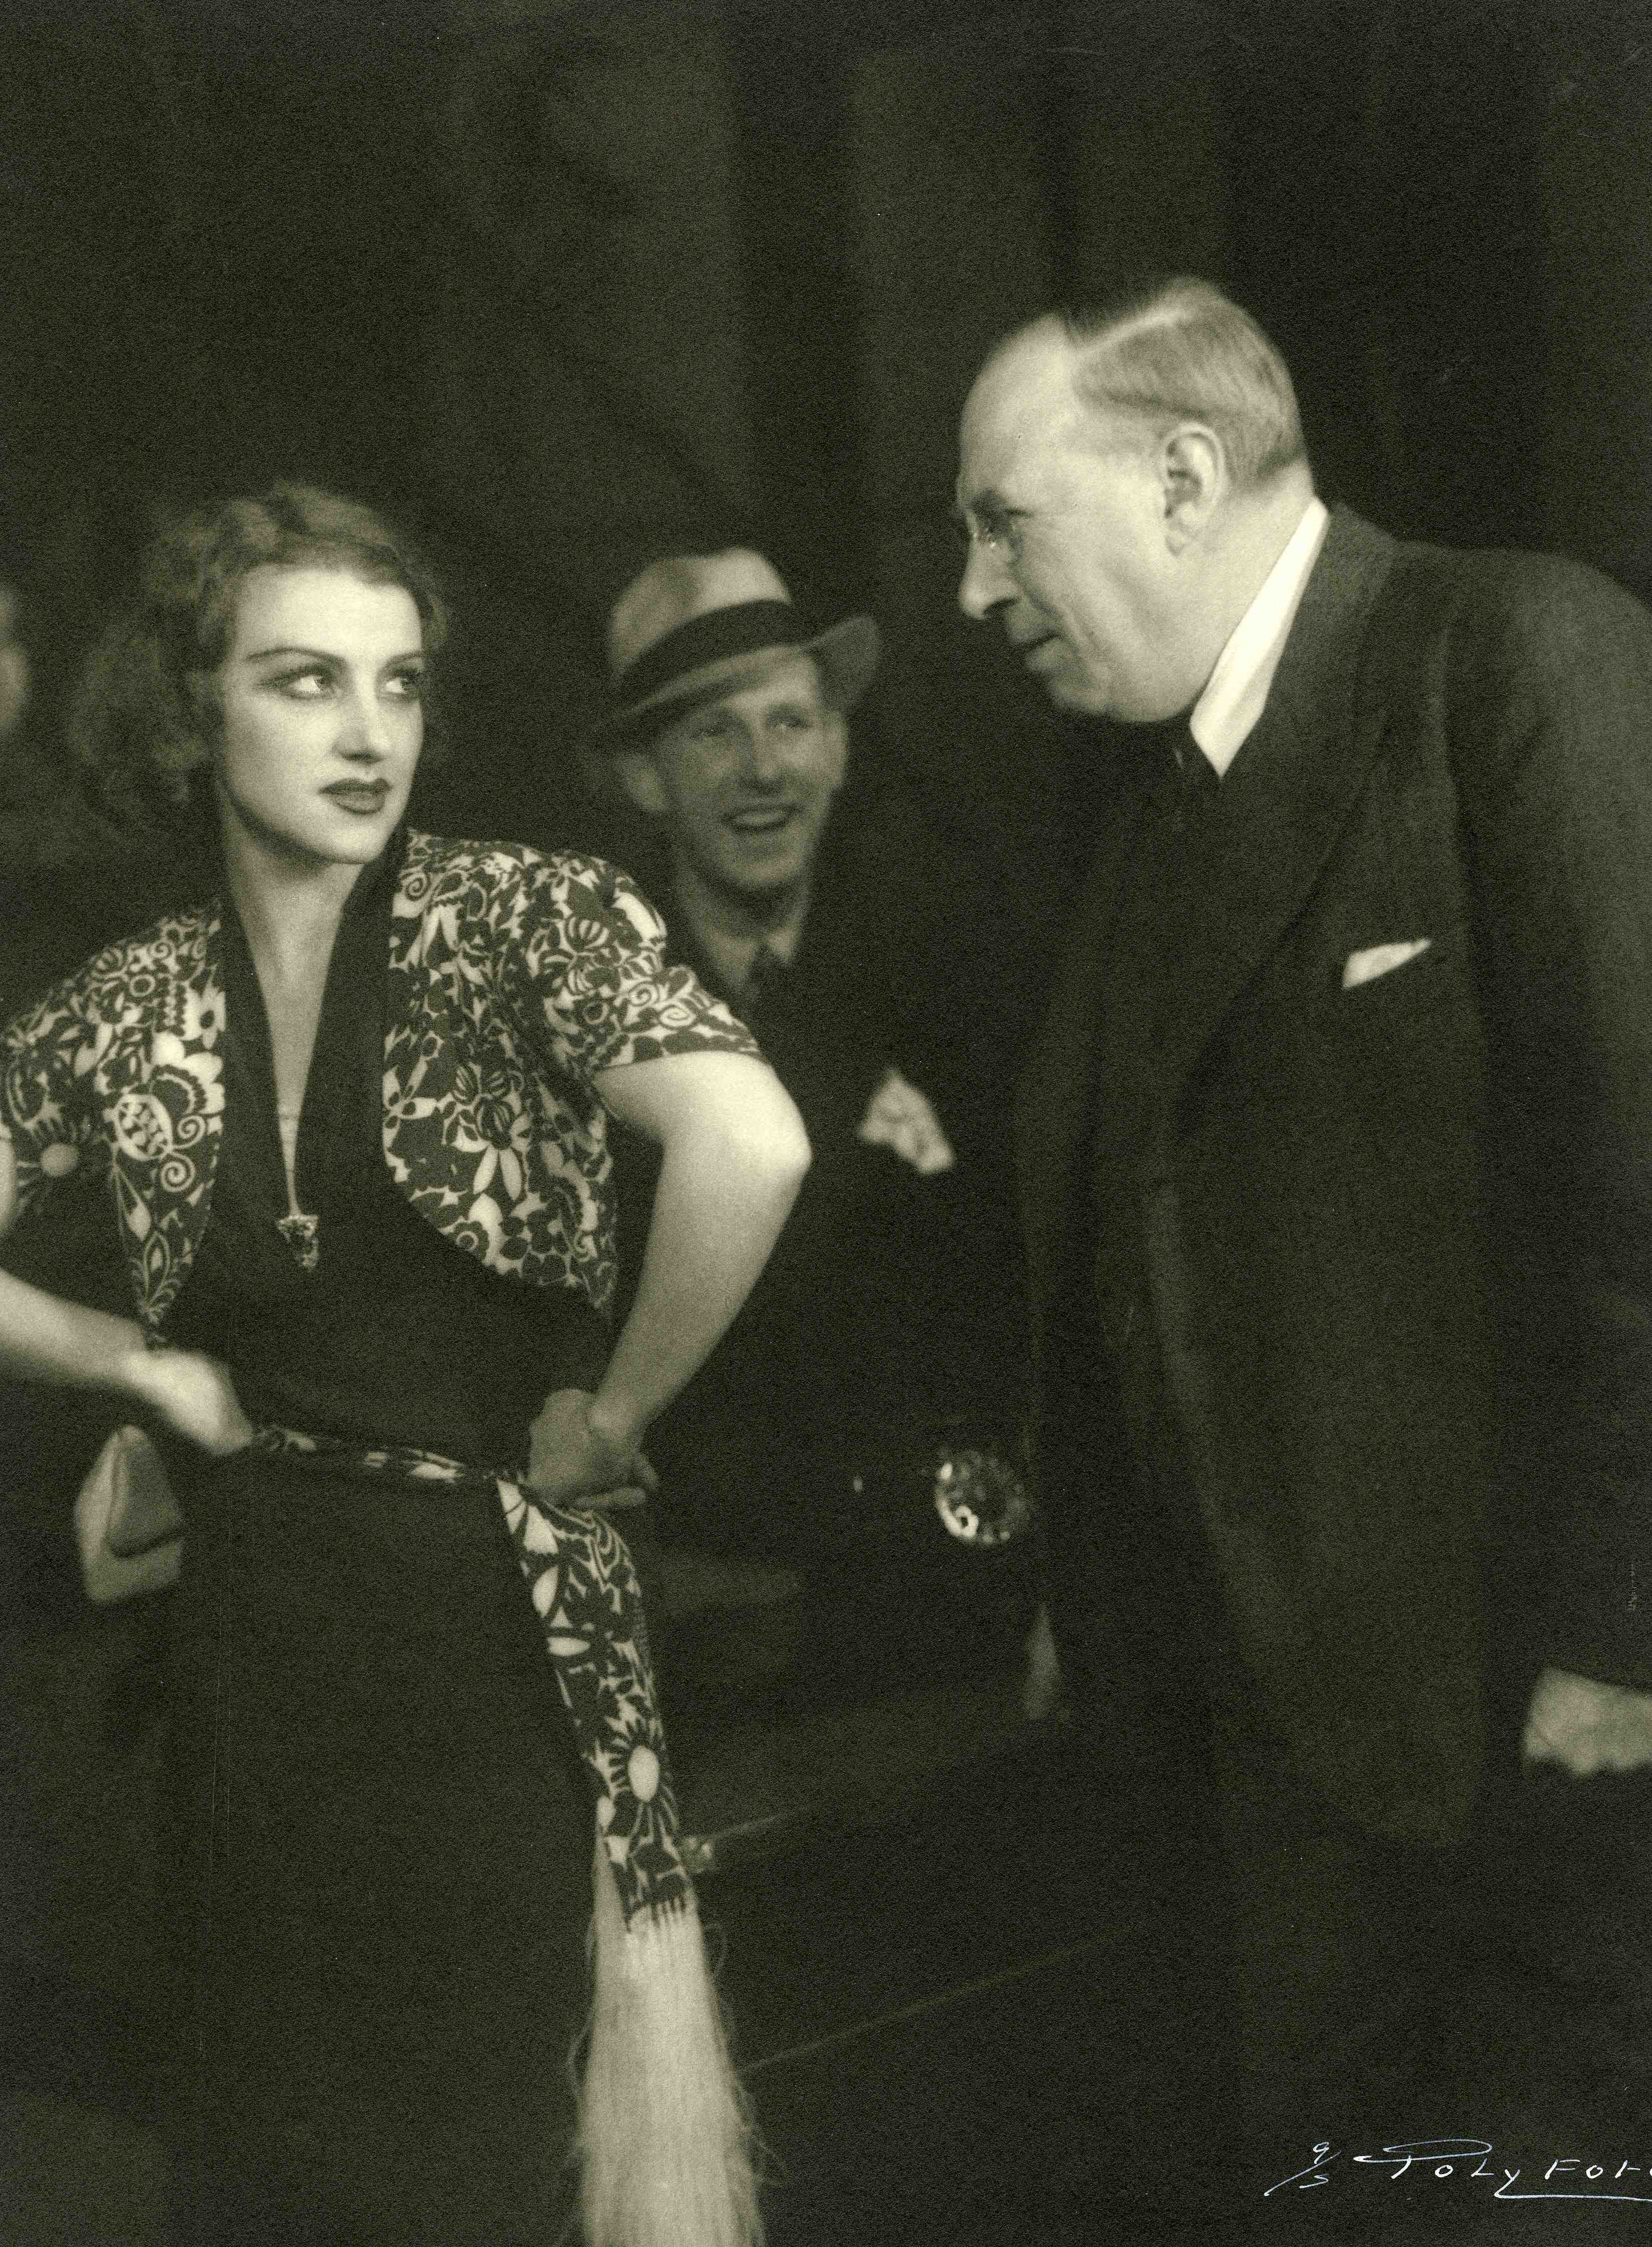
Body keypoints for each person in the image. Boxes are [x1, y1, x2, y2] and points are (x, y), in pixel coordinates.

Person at [0, 483, 810, 2246]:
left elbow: (753, 1143)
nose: (369, 732)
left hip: (486, 1665)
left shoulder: (520, 914)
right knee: (272, 2179)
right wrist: (136, 1364)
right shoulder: (134, 997)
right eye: (305, 680)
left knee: (474, 2173)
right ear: (192, 706)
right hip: (251, 1671)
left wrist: (616, 1410)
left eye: (401, 682)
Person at [955, 279, 1652, 2203]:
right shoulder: (1152, 802)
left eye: (1001, 521)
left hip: (1529, 1755)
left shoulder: (1502, 653)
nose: (969, 587)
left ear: (1182, 476)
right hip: (1264, 1791)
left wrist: (1621, 1639)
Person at [589, 548, 1040, 1710]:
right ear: (644, 777)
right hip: (703, 1632)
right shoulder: (585, 1016)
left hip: (950, 1598)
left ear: (837, 750)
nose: (763, 770)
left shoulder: (953, 975)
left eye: (791, 723)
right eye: (713, 733)